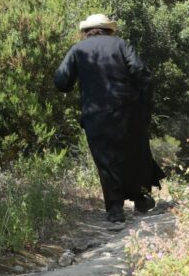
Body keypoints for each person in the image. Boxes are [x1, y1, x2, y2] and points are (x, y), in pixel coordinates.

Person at [54, 13, 165, 223]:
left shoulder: (77, 50)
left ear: (86, 32)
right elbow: (142, 74)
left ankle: (115, 209)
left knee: (105, 160)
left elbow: (61, 82)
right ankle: (140, 197)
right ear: (109, 30)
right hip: (127, 111)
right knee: (133, 153)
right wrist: (142, 104)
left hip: (95, 115)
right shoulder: (121, 45)